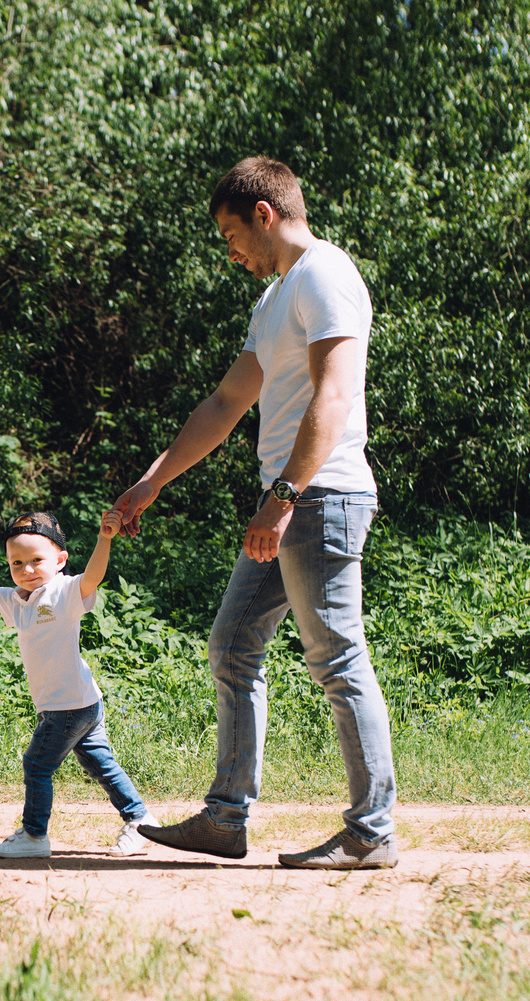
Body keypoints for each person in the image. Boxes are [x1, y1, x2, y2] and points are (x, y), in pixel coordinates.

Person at [112, 156, 399, 871]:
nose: (229, 250)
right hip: (291, 498)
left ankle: (372, 832)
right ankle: (226, 816)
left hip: (320, 495)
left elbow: (334, 396)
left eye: (230, 234)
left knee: (337, 657)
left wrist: (284, 498)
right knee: (233, 643)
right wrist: (150, 482)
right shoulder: (273, 300)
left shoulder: (326, 273)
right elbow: (223, 405)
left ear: (264, 214)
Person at [0, 509, 158, 858]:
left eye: (37, 560)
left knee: (37, 765)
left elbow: (93, 577)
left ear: (60, 560)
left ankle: (34, 835)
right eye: (17, 563)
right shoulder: (18, 600)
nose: (26, 570)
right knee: (100, 763)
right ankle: (141, 821)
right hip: (79, 702)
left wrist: (105, 538)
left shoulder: (64, 592)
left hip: (67, 706)